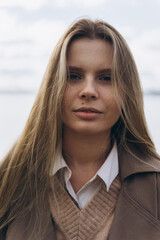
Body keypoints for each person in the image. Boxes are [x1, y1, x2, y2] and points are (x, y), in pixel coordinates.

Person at [0, 18, 160, 240]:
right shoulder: (9, 180)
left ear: (126, 92)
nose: (88, 91)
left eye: (106, 78)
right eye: (74, 76)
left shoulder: (156, 186)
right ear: (53, 86)